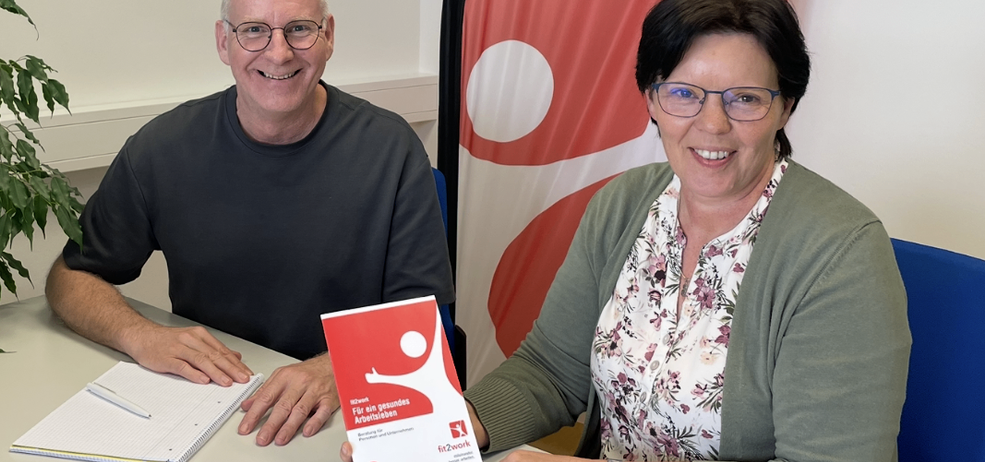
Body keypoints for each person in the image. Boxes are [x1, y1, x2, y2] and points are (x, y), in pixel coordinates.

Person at [340, 0, 910, 460]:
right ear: (652, 100)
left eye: (746, 99)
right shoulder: (624, 205)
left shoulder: (841, 256)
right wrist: (452, 426)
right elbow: (550, 370)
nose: (712, 124)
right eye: (684, 93)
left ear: (785, 108)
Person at [45, 0, 454, 449]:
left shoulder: (391, 150)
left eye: (299, 29)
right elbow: (71, 276)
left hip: (345, 413)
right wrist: (139, 334)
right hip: (215, 410)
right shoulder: (163, 148)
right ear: (224, 42)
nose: (278, 53)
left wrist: (338, 368)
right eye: (254, 31)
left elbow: (421, 318)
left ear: (328, 36)